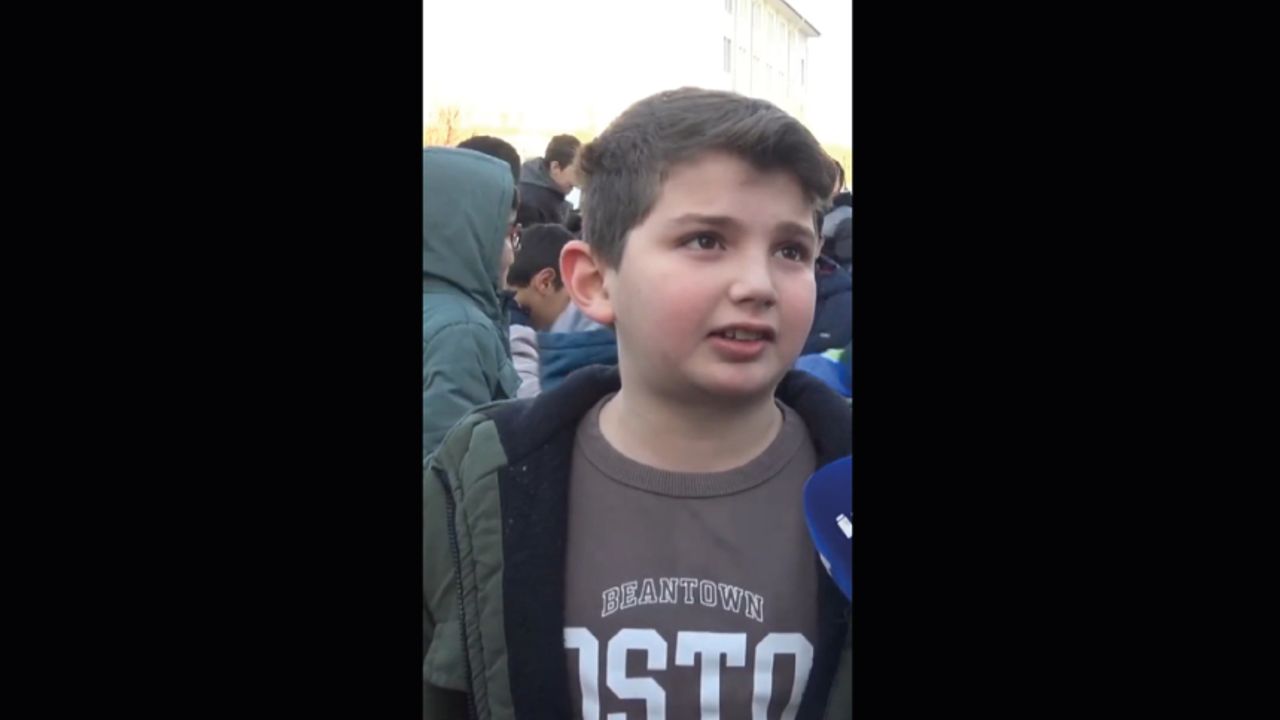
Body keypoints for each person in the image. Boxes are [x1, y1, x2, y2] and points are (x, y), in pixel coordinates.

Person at [424, 88, 851, 718]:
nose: (758, 284)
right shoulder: (476, 485)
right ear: (594, 281)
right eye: (706, 240)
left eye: (791, 250)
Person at [421, 147, 522, 462]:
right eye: (505, 234)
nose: (511, 254)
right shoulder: (461, 331)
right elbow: (451, 474)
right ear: (464, 233)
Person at [505, 223, 575, 397]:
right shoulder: (517, 336)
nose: (572, 310)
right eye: (570, 299)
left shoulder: (497, 317)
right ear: (546, 282)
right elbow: (533, 401)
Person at [516, 133, 581, 226]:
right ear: (555, 167)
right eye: (577, 171)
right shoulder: (533, 204)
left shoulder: (543, 192)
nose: (579, 179)